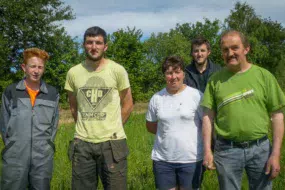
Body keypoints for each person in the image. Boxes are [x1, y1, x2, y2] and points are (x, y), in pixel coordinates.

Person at [201, 30, 285, 190]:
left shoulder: (264, 76)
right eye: (225, 50)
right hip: (227, 150)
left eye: (234, 48)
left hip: (260, 149)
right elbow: (207, 117)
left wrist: (275, 154)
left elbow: (277, 116)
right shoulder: (214, 81)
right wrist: (207, 151)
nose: (230, 53)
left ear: (246, 49)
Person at [65, 26, 133, 190]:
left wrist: (114, 125)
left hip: (112, 143)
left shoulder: (117, 70)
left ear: (105, 46)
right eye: (89, 42)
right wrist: (86, 127)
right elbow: (74, 108)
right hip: (82, 144)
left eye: (98, 42)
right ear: (84, 45)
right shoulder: (73, 73)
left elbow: (128, 104)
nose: (94, 47)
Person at [0, 48, 59, 190]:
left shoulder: (52, 93)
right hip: (15, 156)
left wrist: (47, 146)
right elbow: (4, 124)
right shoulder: (11, 91)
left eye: (40, 67)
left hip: (42, 158)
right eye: (32, 66)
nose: (36, 71)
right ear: (24, 67)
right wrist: (12, 146)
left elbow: (54, 125)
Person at [146, 56, 204, 190]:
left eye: (177, 72)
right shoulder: (157, 98)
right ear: (164, 76)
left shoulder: (196, 96)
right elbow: (150, 125)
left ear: (183, 74)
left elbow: (205, 124)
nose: (174, 77)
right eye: (169, 73)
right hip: (163, 160)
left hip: (191, 159)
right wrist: (169, 132)